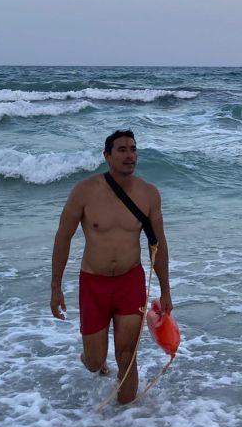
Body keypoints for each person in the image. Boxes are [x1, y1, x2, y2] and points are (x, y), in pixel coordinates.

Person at [51, 129, 171, 404]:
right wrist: (55, 288)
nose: (130, 155)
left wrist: (166, 290)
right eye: (122, 150)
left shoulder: (149, 194)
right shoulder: (84, 192)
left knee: (127, 356)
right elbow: (63, 238)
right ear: (107, 156)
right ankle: (93, 361)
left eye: (133, 149)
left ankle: (126, 425)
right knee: (94, 361)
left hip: (130, 282)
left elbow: (159, 245)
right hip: (94, 284)